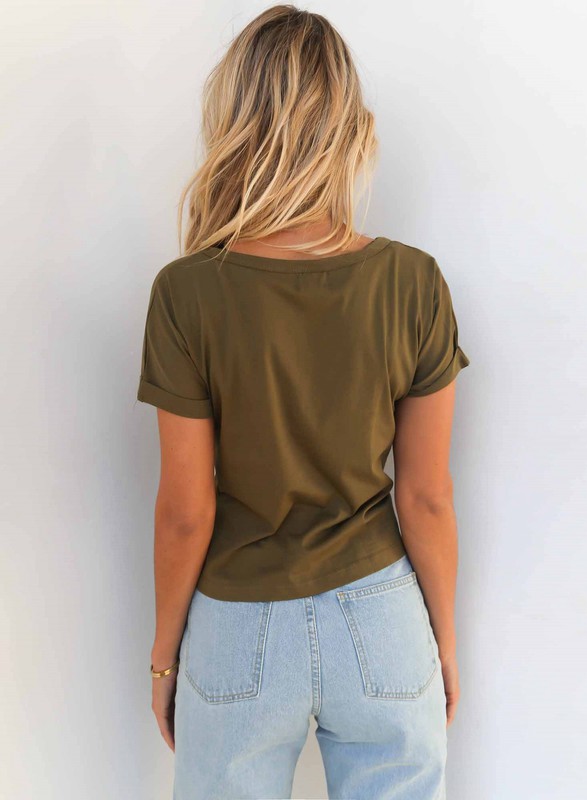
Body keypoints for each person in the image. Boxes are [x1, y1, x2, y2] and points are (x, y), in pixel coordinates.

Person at [136, 5, 470, 799]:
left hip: (238, 627)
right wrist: (442, 641)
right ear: (348, 127)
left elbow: (186, 510)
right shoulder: (413, 281)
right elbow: (426, 496)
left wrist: (165, 657)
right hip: (383, 618)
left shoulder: (188, 292)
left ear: (235, 122)